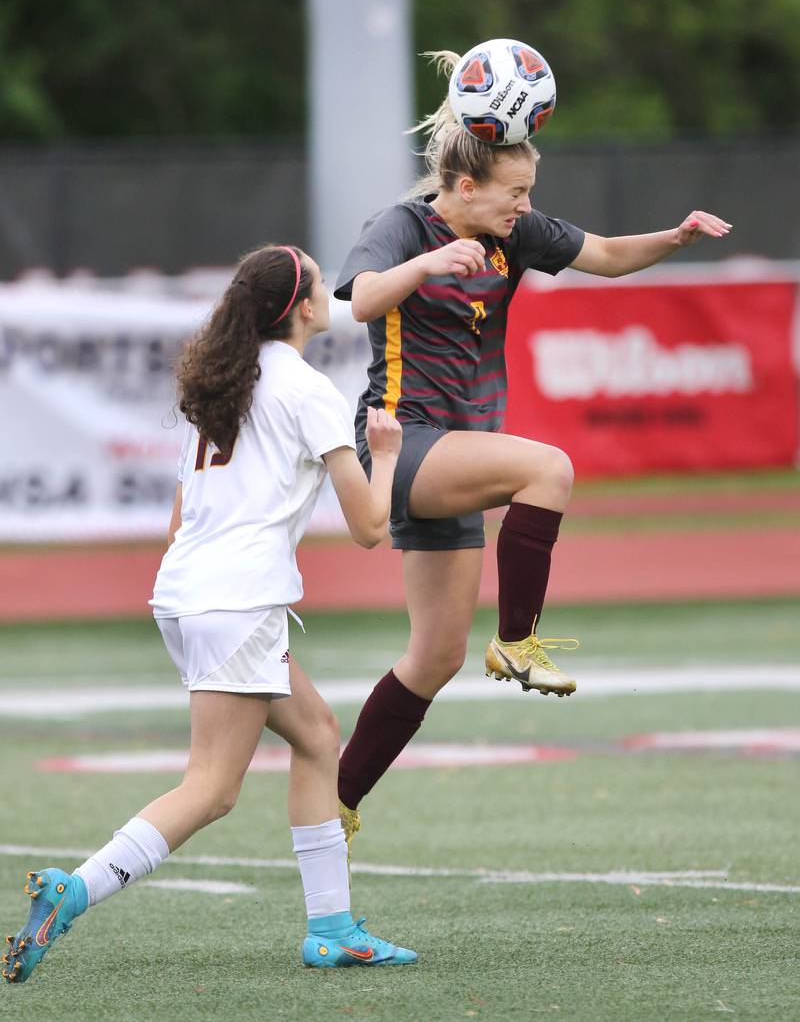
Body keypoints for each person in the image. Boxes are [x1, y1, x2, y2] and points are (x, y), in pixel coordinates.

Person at [333, 50, 732, 853]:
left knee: (433, 656)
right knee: (549, 467)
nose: (526, 207)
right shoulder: (404, 226)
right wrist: (426, 262)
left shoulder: (515, 230)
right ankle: (517, 641)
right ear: (467, 187)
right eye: (516, 194)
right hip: (400, 443)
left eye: (530, 195)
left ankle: (333, 799)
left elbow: (612, 256)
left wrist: (679, 237)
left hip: (455, 455)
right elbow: (361, 301)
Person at [2, 244, 416, 985]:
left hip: (192, 594)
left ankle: (332, 928)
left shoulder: (233, 378)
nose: (331, 293)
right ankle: (76, 888)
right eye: (322, 283)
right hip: (237, 601)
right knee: (212, 787)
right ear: (301, 307)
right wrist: (384, 452)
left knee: (319, 736)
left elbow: (180, 511)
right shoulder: (308, 387)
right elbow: (367, 526)